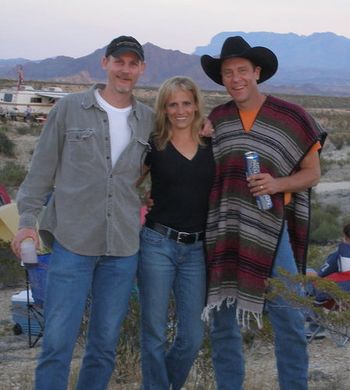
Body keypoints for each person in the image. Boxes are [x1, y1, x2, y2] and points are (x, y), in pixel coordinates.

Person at [11, 35, 154, 390]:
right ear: (105, 63)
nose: (125, 69)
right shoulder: (69, 108)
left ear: (141, 69)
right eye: (118, 61)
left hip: (122, 247)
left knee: (104, 345)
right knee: (58, 342)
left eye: (132, 63)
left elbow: (166, 163)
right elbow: (40, 172)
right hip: (72, 242)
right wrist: (26, 222)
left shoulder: (148, 119)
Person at [200, 36, 327, 389]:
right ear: (222, 78)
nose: (235, 78)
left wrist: (277, 185)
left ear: (257, 72)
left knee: (288, 315)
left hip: (272, 231)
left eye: (242, 70)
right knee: (223, 318)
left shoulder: (291, 116)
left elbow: (313, 173)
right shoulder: (218, 118)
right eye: (228, 72)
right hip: (224, 230)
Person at [137, 76, 215, 389]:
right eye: (173, 104)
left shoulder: (212, 143)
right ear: (164, 108)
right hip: (157, 243)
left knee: (193, 337)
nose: (180, 110)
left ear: (196, 104)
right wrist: (141, 198)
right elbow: (126, 183)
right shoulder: (153, 145)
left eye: (186, 102)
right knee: (154, 333)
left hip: (196, 249)